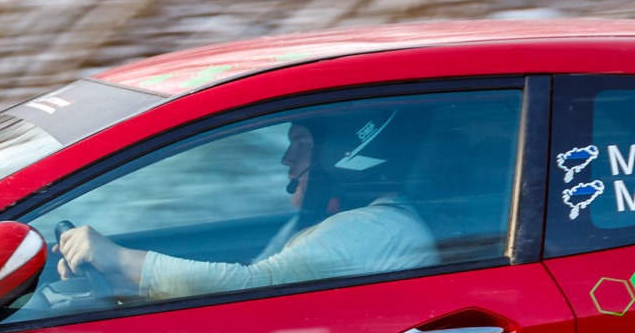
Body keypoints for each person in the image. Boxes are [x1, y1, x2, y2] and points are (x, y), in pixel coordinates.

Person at [55, 111, 436, 300]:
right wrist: (113, 283)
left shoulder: (375, 229)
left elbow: (252, 283)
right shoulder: (347, 223)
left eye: (301, 144)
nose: (287, 158)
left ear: (343, 156)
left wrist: (120, 259)